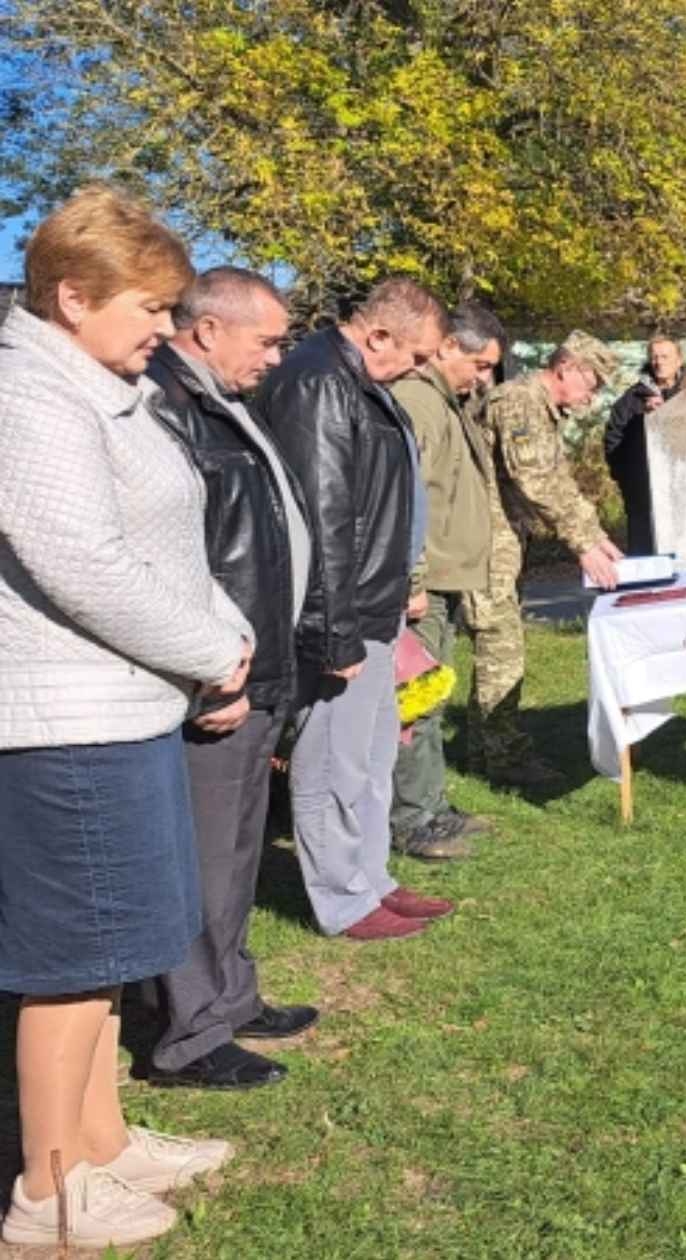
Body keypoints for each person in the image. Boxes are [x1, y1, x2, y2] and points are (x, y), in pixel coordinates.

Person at [0, 188, 247, 1247]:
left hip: (122, 702)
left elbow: (162, 544)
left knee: (109, 951)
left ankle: (99, 1142)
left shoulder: (98, 385)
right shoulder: (29, 395)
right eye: (149, 307)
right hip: (65, 720)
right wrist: (208, 651)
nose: (164, 325)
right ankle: (47, 1197)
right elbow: (82, 564)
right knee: (69, 964)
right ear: (70, 298)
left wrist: (222, 630)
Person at [141, 267, 319, 1092]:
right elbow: (175, 558)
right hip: (218, 678)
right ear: (208, 330)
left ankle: (231, 994)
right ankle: (190, 1032)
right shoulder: (163, 405)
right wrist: (213, 669)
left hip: (258, 668)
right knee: (206, 855)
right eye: (269, 339)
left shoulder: (223, 401)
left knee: (241, 845)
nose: (278, 357)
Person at [261, 277, 456, 942]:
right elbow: (322, 520)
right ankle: (342, 898)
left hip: (374, 607)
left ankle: (371, 879)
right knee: (332, 763)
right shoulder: (318, 384)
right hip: (341, 617)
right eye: (418, 354)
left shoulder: (364, 385)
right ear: (378, 335)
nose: (421, 368)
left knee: (371, 758)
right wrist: (333, 632)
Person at [474, 332, 626, 784]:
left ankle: (485, 751)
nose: (592, 396)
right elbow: (535, 480)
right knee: (501, 652)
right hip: (486, 542)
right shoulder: (519, 402)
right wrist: (582, 545)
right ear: (567, 368)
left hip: (502, 539)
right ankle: (505, 760)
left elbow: (557, 480)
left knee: (498, 648)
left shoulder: (539, 408)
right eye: (592, 383)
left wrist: (595, 536)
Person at [388, 303, 508, 855]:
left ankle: (430, 804)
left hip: (441, 578)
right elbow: (403, 498)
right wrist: (411, 579)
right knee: (417, 700)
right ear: (446, 348)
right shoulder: (418, 401)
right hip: (424, 581)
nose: (483, 378)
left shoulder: (444, 401)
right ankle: (412, 819)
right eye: (480, 365)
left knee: (432, 694)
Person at [604, 335, 686, 556]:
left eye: (665, 356)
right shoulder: (631, 400)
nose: (659, 362)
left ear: (679, 360)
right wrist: (643, 422)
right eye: (654, 357)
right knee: (651, 568)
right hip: (646, 504)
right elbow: (613, 446)